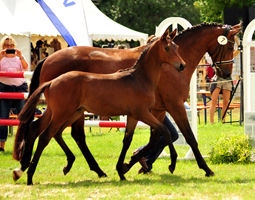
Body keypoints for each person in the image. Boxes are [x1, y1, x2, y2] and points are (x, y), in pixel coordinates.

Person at [134, 102, 190, 174]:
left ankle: (146, 166)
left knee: (161, 136)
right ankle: (141, 151)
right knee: (173, 135)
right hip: (153, 106)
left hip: (154, 106)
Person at [0, 36, 29, 152]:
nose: (9, 47)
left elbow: (26, 68)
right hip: (4, 88)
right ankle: (1, 146)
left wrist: (21, 56)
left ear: (15, 46)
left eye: (11, 45)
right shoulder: (0, 57)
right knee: (3, 118)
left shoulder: (20, 57)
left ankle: (23, 144)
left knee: (23, 117)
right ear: (3, 47)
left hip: (19, 88)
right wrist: (1, 56)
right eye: (7, 45)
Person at [209, 36, 240, 124]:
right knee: (214, 100)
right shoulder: (218, 54)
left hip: (227, 79)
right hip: (218, 78)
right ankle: (211, 122)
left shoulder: (230, 55)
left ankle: (222, 121)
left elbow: (239, 49)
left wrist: (237, 40)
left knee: (226, 101)